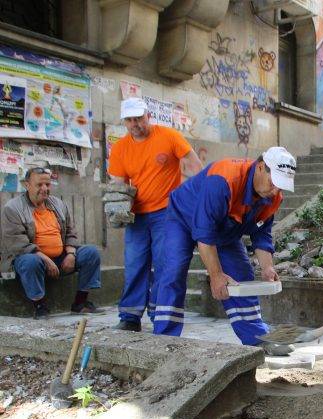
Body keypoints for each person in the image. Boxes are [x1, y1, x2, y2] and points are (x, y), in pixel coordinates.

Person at [152, 147, 296, 357]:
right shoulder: (223, 179)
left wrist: (267, 267)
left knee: (242, 274)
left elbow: (261, 234)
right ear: (261, 167)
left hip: (225, 226)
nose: (275, 190)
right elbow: (205, 235)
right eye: (273, 182)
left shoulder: (273, 197)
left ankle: (257, 338)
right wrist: (216, 275)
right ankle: (163, 340)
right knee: (173, 271)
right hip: (183, 216)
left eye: (280, 185)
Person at [108, 97, 203, 332]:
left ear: (148, 115)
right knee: (134, 264)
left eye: (139, 118)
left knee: (163, 265)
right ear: (125, 122)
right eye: (129, 120)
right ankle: (129, 317)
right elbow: (119, 184)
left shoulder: (168, 136)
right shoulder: (120, 148)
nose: (135, 123)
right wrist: (118, 208)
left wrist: (197, 193)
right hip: (137, 216)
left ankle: (158, 313)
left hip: (167, 213)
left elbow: (193, 163)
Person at [1, 167, 101, 318]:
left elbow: (70, 232)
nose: (44, 189)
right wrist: (46, 259)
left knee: (91, 253)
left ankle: (80, 303)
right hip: (33, 259)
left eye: (47, 185)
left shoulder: (58, 204)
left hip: (60, 257)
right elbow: (18, 243)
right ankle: (40, 306)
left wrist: (71, 254)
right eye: (39, 185)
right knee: (29, 262)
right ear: (27, 185)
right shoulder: (13, 208)